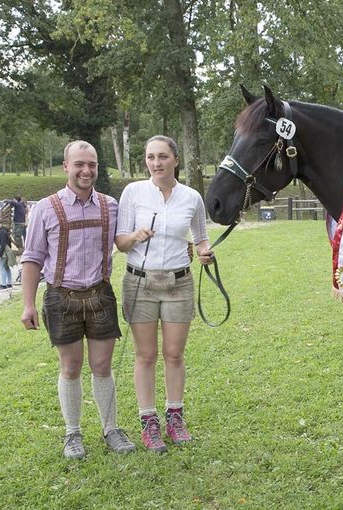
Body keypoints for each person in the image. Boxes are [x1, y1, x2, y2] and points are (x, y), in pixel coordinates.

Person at [20, 140, 135, 460]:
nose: (87, 171)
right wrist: (28, 304)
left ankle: (111, 428)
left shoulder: (111, 206)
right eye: (80, 164)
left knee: (102, 366)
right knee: (70, 367)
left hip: (100, 295)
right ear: (66, 167)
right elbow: (31, 258)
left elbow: (129, 244)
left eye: (93, 164)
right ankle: (73, 433)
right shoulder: (45, 207)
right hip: (61, 298)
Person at [115, 135, 213, 452]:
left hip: (178, 282)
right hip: (139, 282)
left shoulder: (191, 197)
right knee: (145, 355)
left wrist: (205, 252)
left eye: (163, 157)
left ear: (176, 159)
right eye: (151, 157)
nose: (156, 163)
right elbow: (120, 242)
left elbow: (201, 238)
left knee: (174, 354)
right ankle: (149, 422)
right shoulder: (133, 193)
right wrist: (136, 236)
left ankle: (175, 417)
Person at [0, 219, 13, 289]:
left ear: (0, 224)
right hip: (5, 251)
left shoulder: (2, 232)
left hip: (2, 252)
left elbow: (3, 244)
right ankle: (9, 283)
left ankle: (4, 284)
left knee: (2, 268)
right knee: (6, 267)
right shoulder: (4, 231)